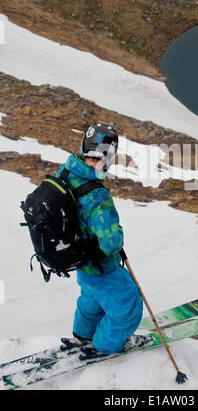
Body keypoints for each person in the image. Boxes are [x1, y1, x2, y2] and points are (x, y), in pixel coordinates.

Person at [56, 124, 143, 355]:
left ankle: (82, 336)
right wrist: (118, 231)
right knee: (128, 307)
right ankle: (104, 347)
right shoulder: (97, 196)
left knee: (91, 298)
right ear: (107, 155)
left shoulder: (66, 172)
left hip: (79, 261)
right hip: (101, 265)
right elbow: (111, 243)